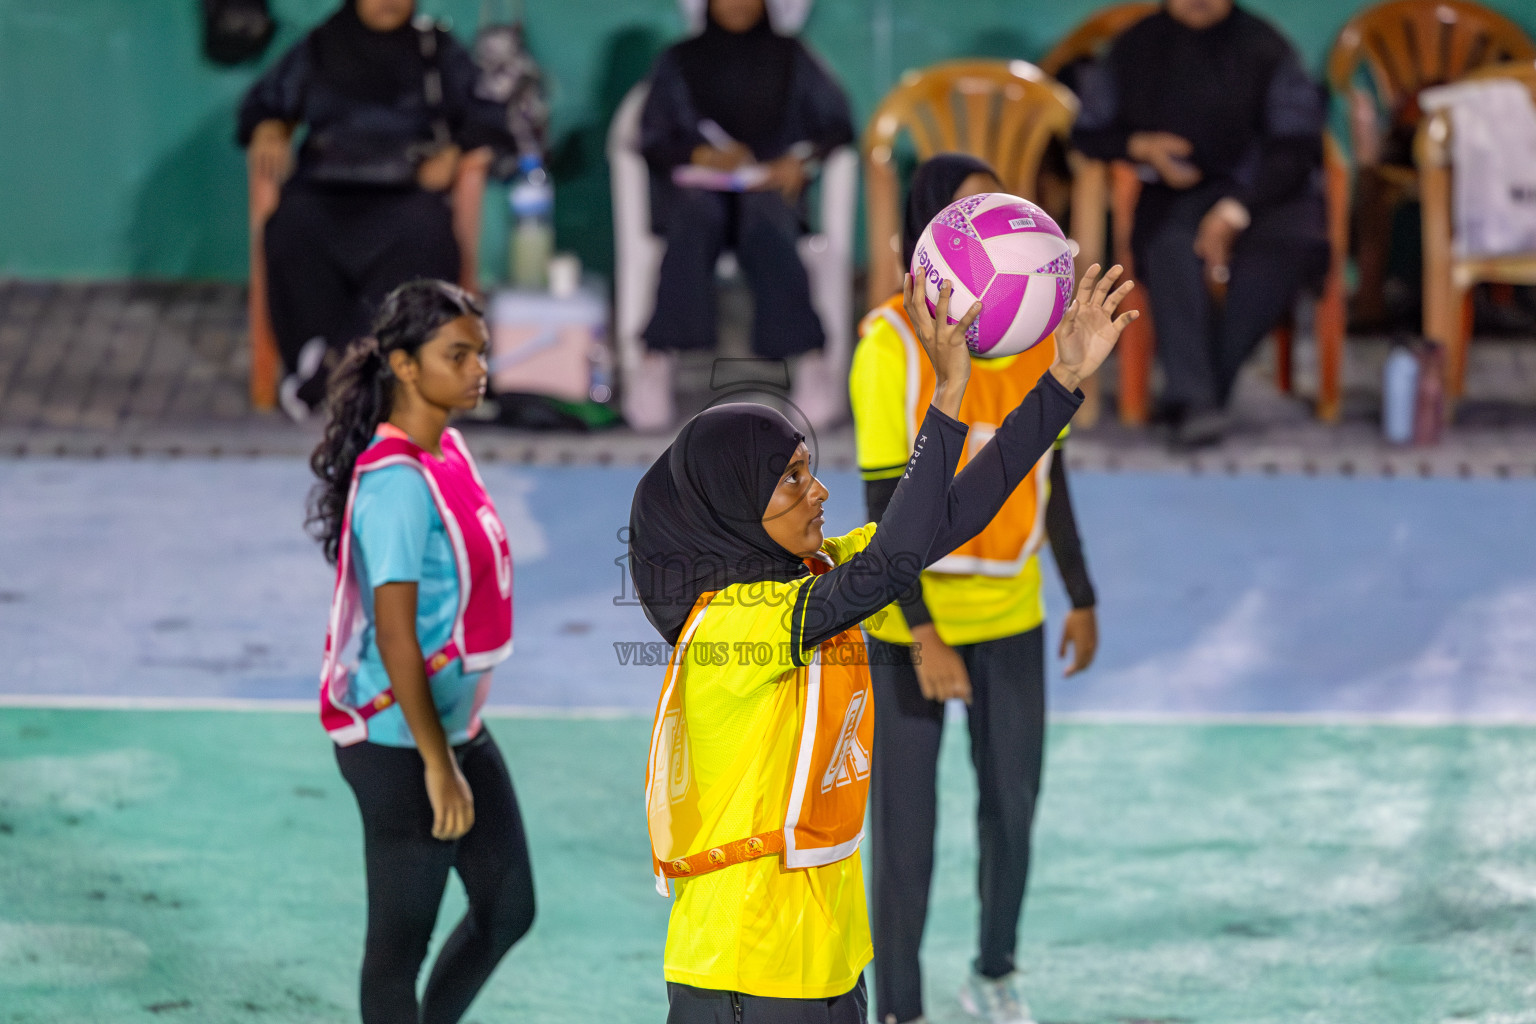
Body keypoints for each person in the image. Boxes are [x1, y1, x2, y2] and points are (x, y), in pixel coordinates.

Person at [629, 258, 1135, 1023]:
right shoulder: (734, 624)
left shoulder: (801, 584)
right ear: (731, 505)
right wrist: (948, 395)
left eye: (810, 470)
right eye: (792, 478)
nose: (819, 491)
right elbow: (893, 562)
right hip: (744, 971)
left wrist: (1060, 383)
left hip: (826, 961)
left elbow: (946, 516)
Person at [850, 155, 1100, 1024]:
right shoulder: (890, 345)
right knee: (905, 839)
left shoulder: (1037, 331)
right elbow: (886, 511)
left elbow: (1048, 474)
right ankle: (901, 1011)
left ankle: (994, 973)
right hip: (907, 626)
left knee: (1011, 809)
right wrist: (922, 634)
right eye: (969, 218)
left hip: (1010, 614)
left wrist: (1082, 591)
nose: (995, 235)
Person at [308, 280, 533, 1024]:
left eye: (481, 353)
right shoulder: (396, 487)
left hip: (453, 727)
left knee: (508, 909)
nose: (479, 370)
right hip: (399, 741)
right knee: (397, 953)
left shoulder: (449, 448)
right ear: (404, 365)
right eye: (457, 354)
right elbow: (397, 634)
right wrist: (438, 765)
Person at [238, 0, 513, 421]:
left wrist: (456, 154)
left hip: (407, 192)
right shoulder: (322, 44)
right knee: (290, 229)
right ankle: (316, 364)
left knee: (426, 236)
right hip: (323, 192)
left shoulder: (434, 49)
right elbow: (263, 102)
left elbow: (490, 116)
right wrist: (269, 127)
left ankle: (353, 370)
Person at [1071, 0, 1328, 448]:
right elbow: (1088, 131)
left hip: (1264, 193)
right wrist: (1140, 145)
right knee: (1170, 247)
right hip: (1177, 192)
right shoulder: (1135, 46)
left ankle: (1201, 393)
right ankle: (1195, 401)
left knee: (1290, 244)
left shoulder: (1266, 47)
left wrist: (1236, 208)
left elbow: (1296, 141)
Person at [639, 0, 853, 363]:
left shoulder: (791, 57)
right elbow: (652, 139)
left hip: (768, 192)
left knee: (767, 217)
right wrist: (701, 156)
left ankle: (803, 355)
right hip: (700, 196)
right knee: (694, 216)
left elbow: (837, 126)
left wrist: (798, 160)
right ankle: (663, 355)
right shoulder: (678, 60)